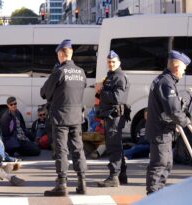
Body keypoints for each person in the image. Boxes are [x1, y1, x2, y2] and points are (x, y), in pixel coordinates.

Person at [41, 39, 87, 196]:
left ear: (61, 54)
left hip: (60, 117)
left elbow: (44, 93)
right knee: (78, 150)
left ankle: (62, 184)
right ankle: (82, 183)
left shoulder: (59, 72)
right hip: (76, 117)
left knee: (62, 150)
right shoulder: (81, 72)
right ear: (71, 53)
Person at [145, 50, 191, 194]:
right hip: (160, 131)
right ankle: (152, 198)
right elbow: (173, 110)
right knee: (159, 165)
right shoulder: (166, 82)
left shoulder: (165, 80)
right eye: (184, 69)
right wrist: (186, 122)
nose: (183, 73)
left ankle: (158, 195)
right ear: (177, 68)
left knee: (167, 164)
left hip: (164, 130)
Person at [95, 50, 130, 187]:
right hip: (110, 115)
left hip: (115, 116)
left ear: (119, 62)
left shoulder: (119, 76)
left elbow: (117, 98)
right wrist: (100, 92)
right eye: (109, 62)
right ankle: (121, 175)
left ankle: (113, 176)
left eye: (113, 62)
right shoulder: (111, 76)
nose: (111, 64)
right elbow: (106, 97)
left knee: (113, 146)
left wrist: (101, 91)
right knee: (116, 145)